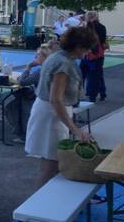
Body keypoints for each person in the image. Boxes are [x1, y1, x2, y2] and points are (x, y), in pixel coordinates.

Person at [26, 26, 97, 187]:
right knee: (51, 166)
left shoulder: (58, 56)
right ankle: (37, 207)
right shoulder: (63, 63)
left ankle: (41, 205)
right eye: (87, 49)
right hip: (51, 115)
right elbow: (56, 100)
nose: (88, 52)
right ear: (79, 46)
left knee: (51, 164)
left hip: (49, 112)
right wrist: (75, 129)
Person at [4, 46, 52, 143]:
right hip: (46, 98)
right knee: (18, 101)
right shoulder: (49, 68)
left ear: (44, 57)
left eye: (37, 55)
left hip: (41, 100)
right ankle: (22, 133)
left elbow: (22, 82)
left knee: (15, 105)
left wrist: (28, 67)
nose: (35, 57)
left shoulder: (41, 71)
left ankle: (24, 135)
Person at [81, 11, 108, 102]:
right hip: (97, 54)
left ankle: (87, 94)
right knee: (97, 75)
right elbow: (103, 40)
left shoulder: (85, 27)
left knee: (84, 76)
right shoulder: (101, 27)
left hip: (87, 54)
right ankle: (99, 94)